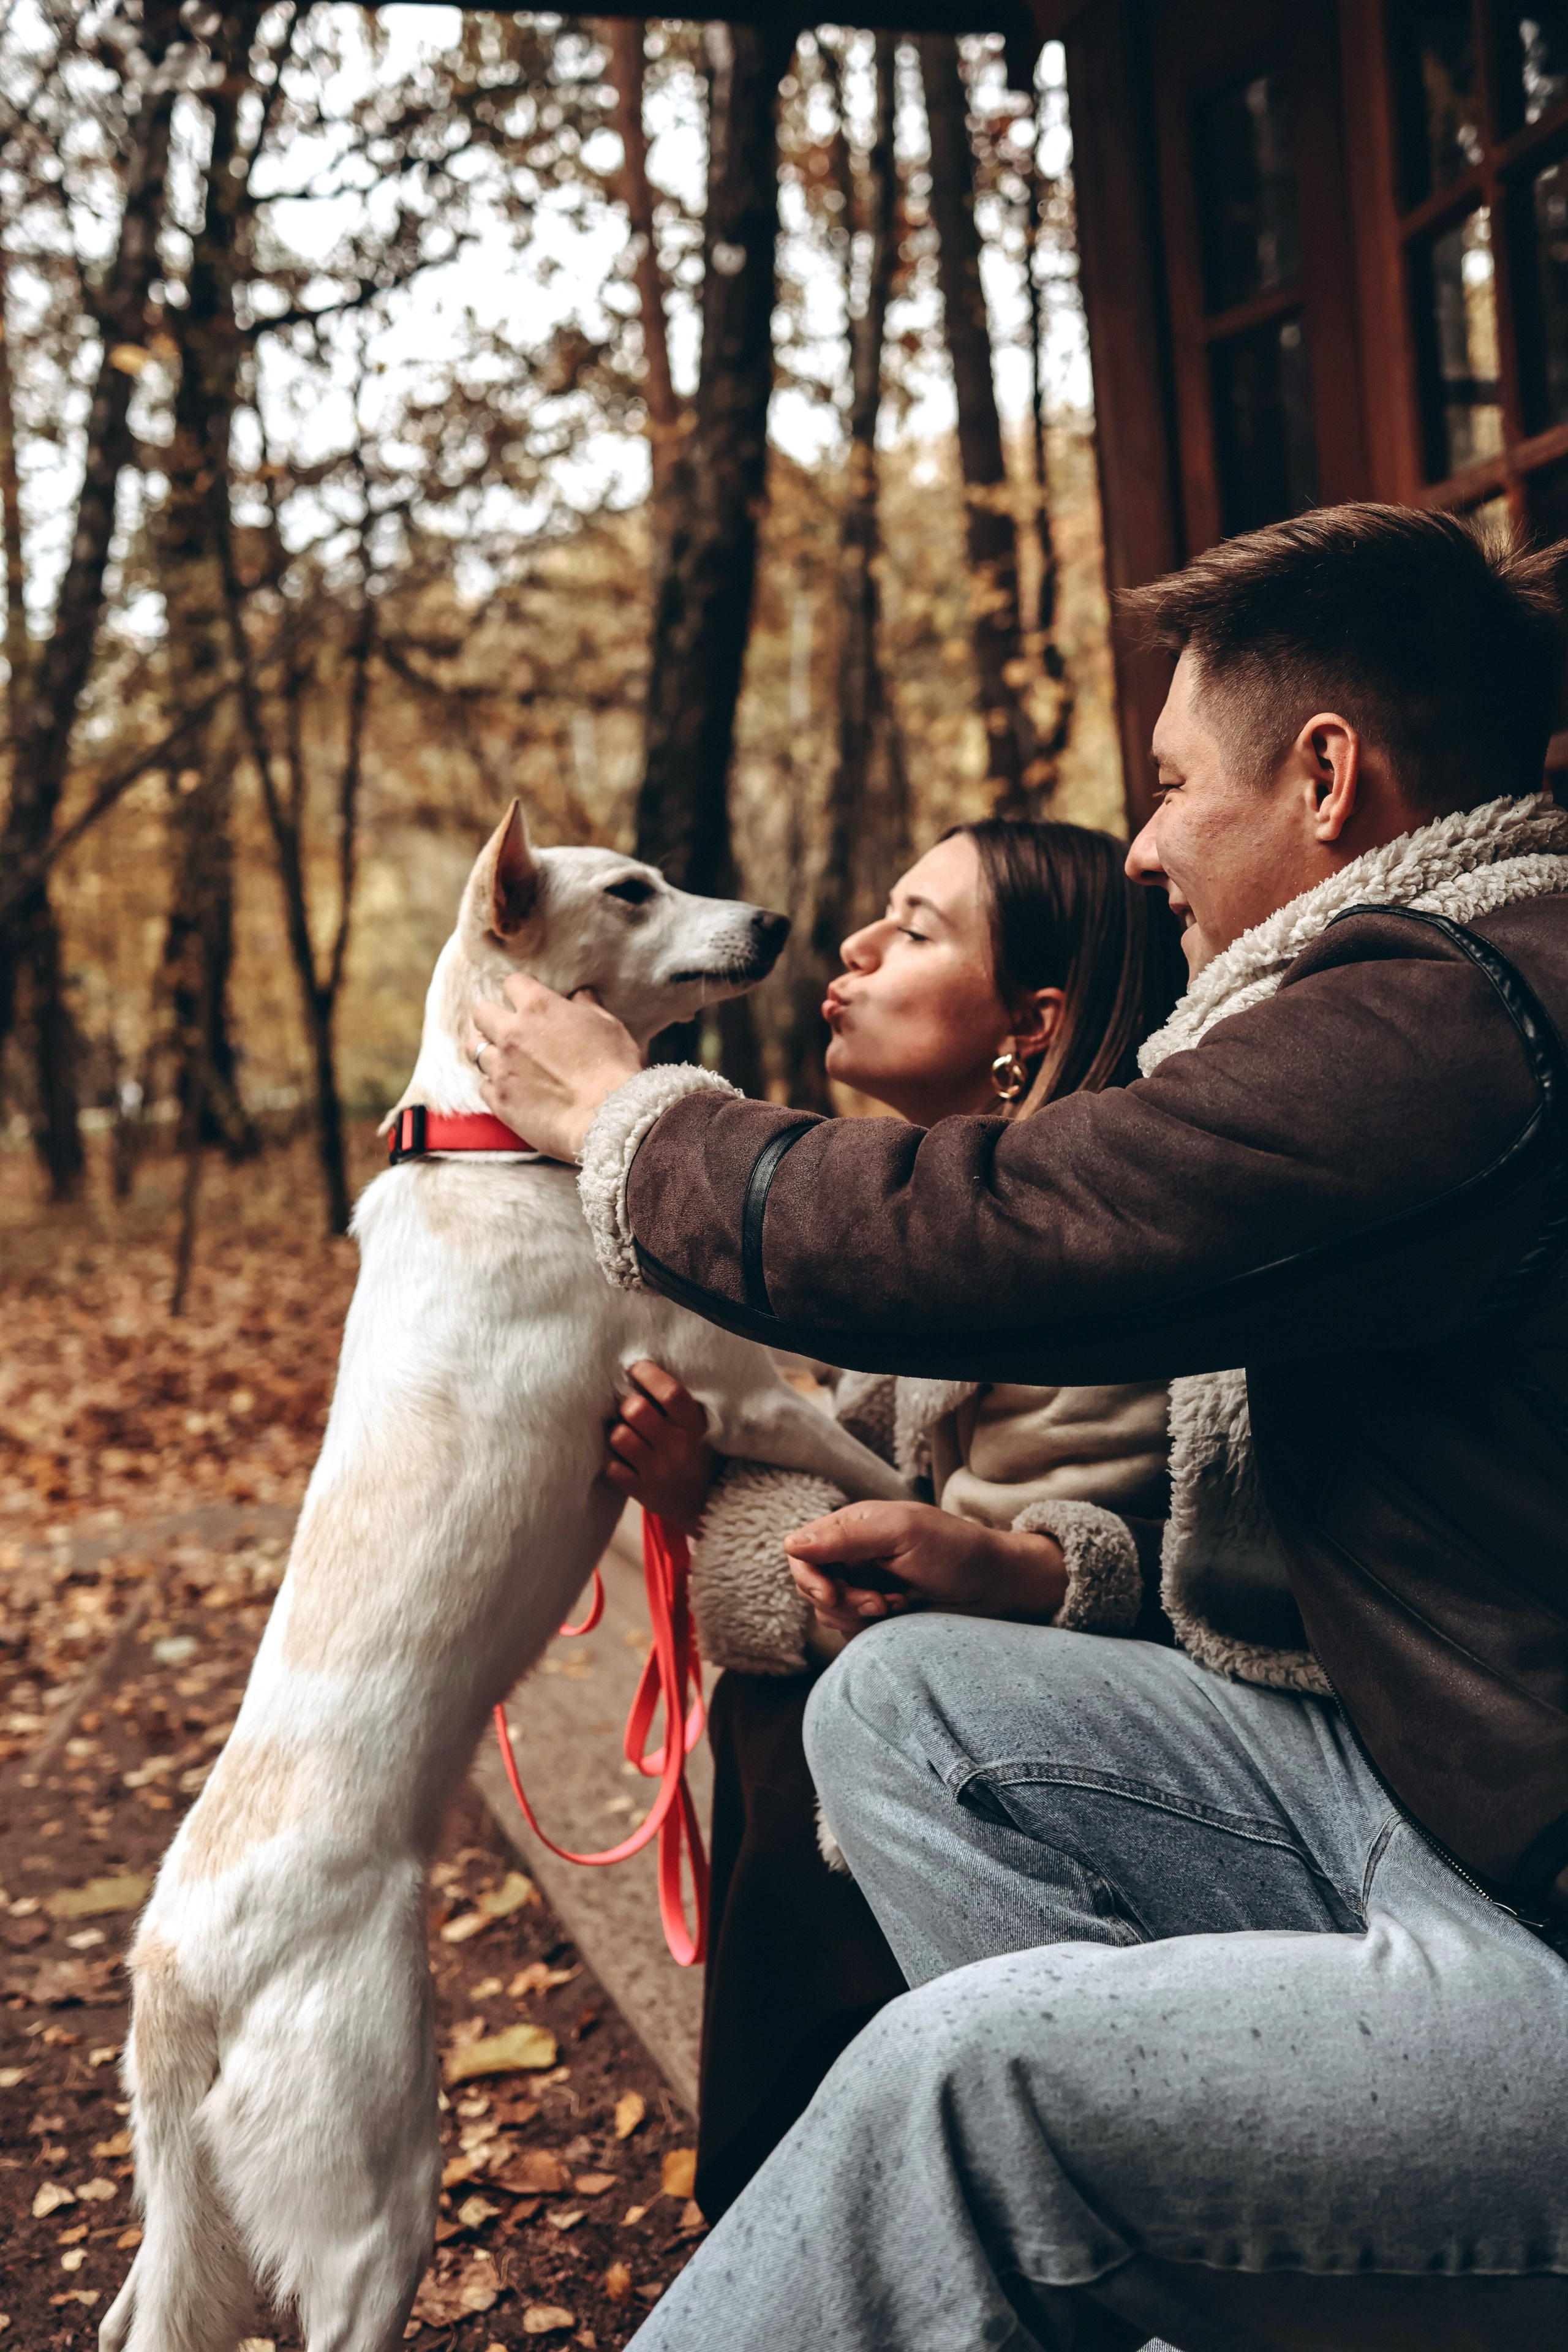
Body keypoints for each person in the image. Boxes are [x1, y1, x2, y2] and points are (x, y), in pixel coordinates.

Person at [472, 505, 1568, 2351]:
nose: (1145, 849)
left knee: (969, 2087)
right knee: (902, 1703)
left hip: (1527, 1912)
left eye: (1169, 787)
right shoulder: (1427, 987)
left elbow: (1018, 1229)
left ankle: (1096, 2214)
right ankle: (1170, 2253)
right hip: (1426, 1801)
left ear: (1325, 778)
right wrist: (1020, 1572)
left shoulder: (1467, 1020)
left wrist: (634, 1123)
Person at [604, 819, 1185, 2218]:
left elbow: (986, 1583)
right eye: (877, 913)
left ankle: (836, 2193)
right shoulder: (943, 1209)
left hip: (1045, 1760)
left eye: (914, 930)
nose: (853, 949)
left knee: (788, 1720)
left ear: (1026, 1025)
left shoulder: (1065, 1250)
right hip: (957, 1697)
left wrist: (715, 1507)